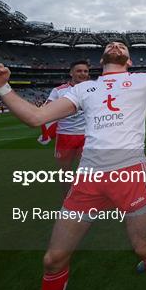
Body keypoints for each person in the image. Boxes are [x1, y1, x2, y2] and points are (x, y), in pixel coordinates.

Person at [0, 34, 146, 290]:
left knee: (143, 247)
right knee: (53, 259)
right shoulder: (84, 89)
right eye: (111, 45)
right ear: (102, 58)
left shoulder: (143, 80)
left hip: (130, 173)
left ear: (129, 60)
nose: (116, 45)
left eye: (122, 45)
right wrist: (2, 88)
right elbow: (36, 116)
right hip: (89, 177)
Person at [40, 60, 90, 196]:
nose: (83, 73)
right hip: (65, 136)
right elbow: (47, 109)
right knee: (65, 172)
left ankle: (86, 196)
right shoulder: (58, 91)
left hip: (87, 136)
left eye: (85, 71)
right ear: (71, 73)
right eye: (79, 71)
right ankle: (67, 198)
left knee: (87, 170)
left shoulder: (93, 89)